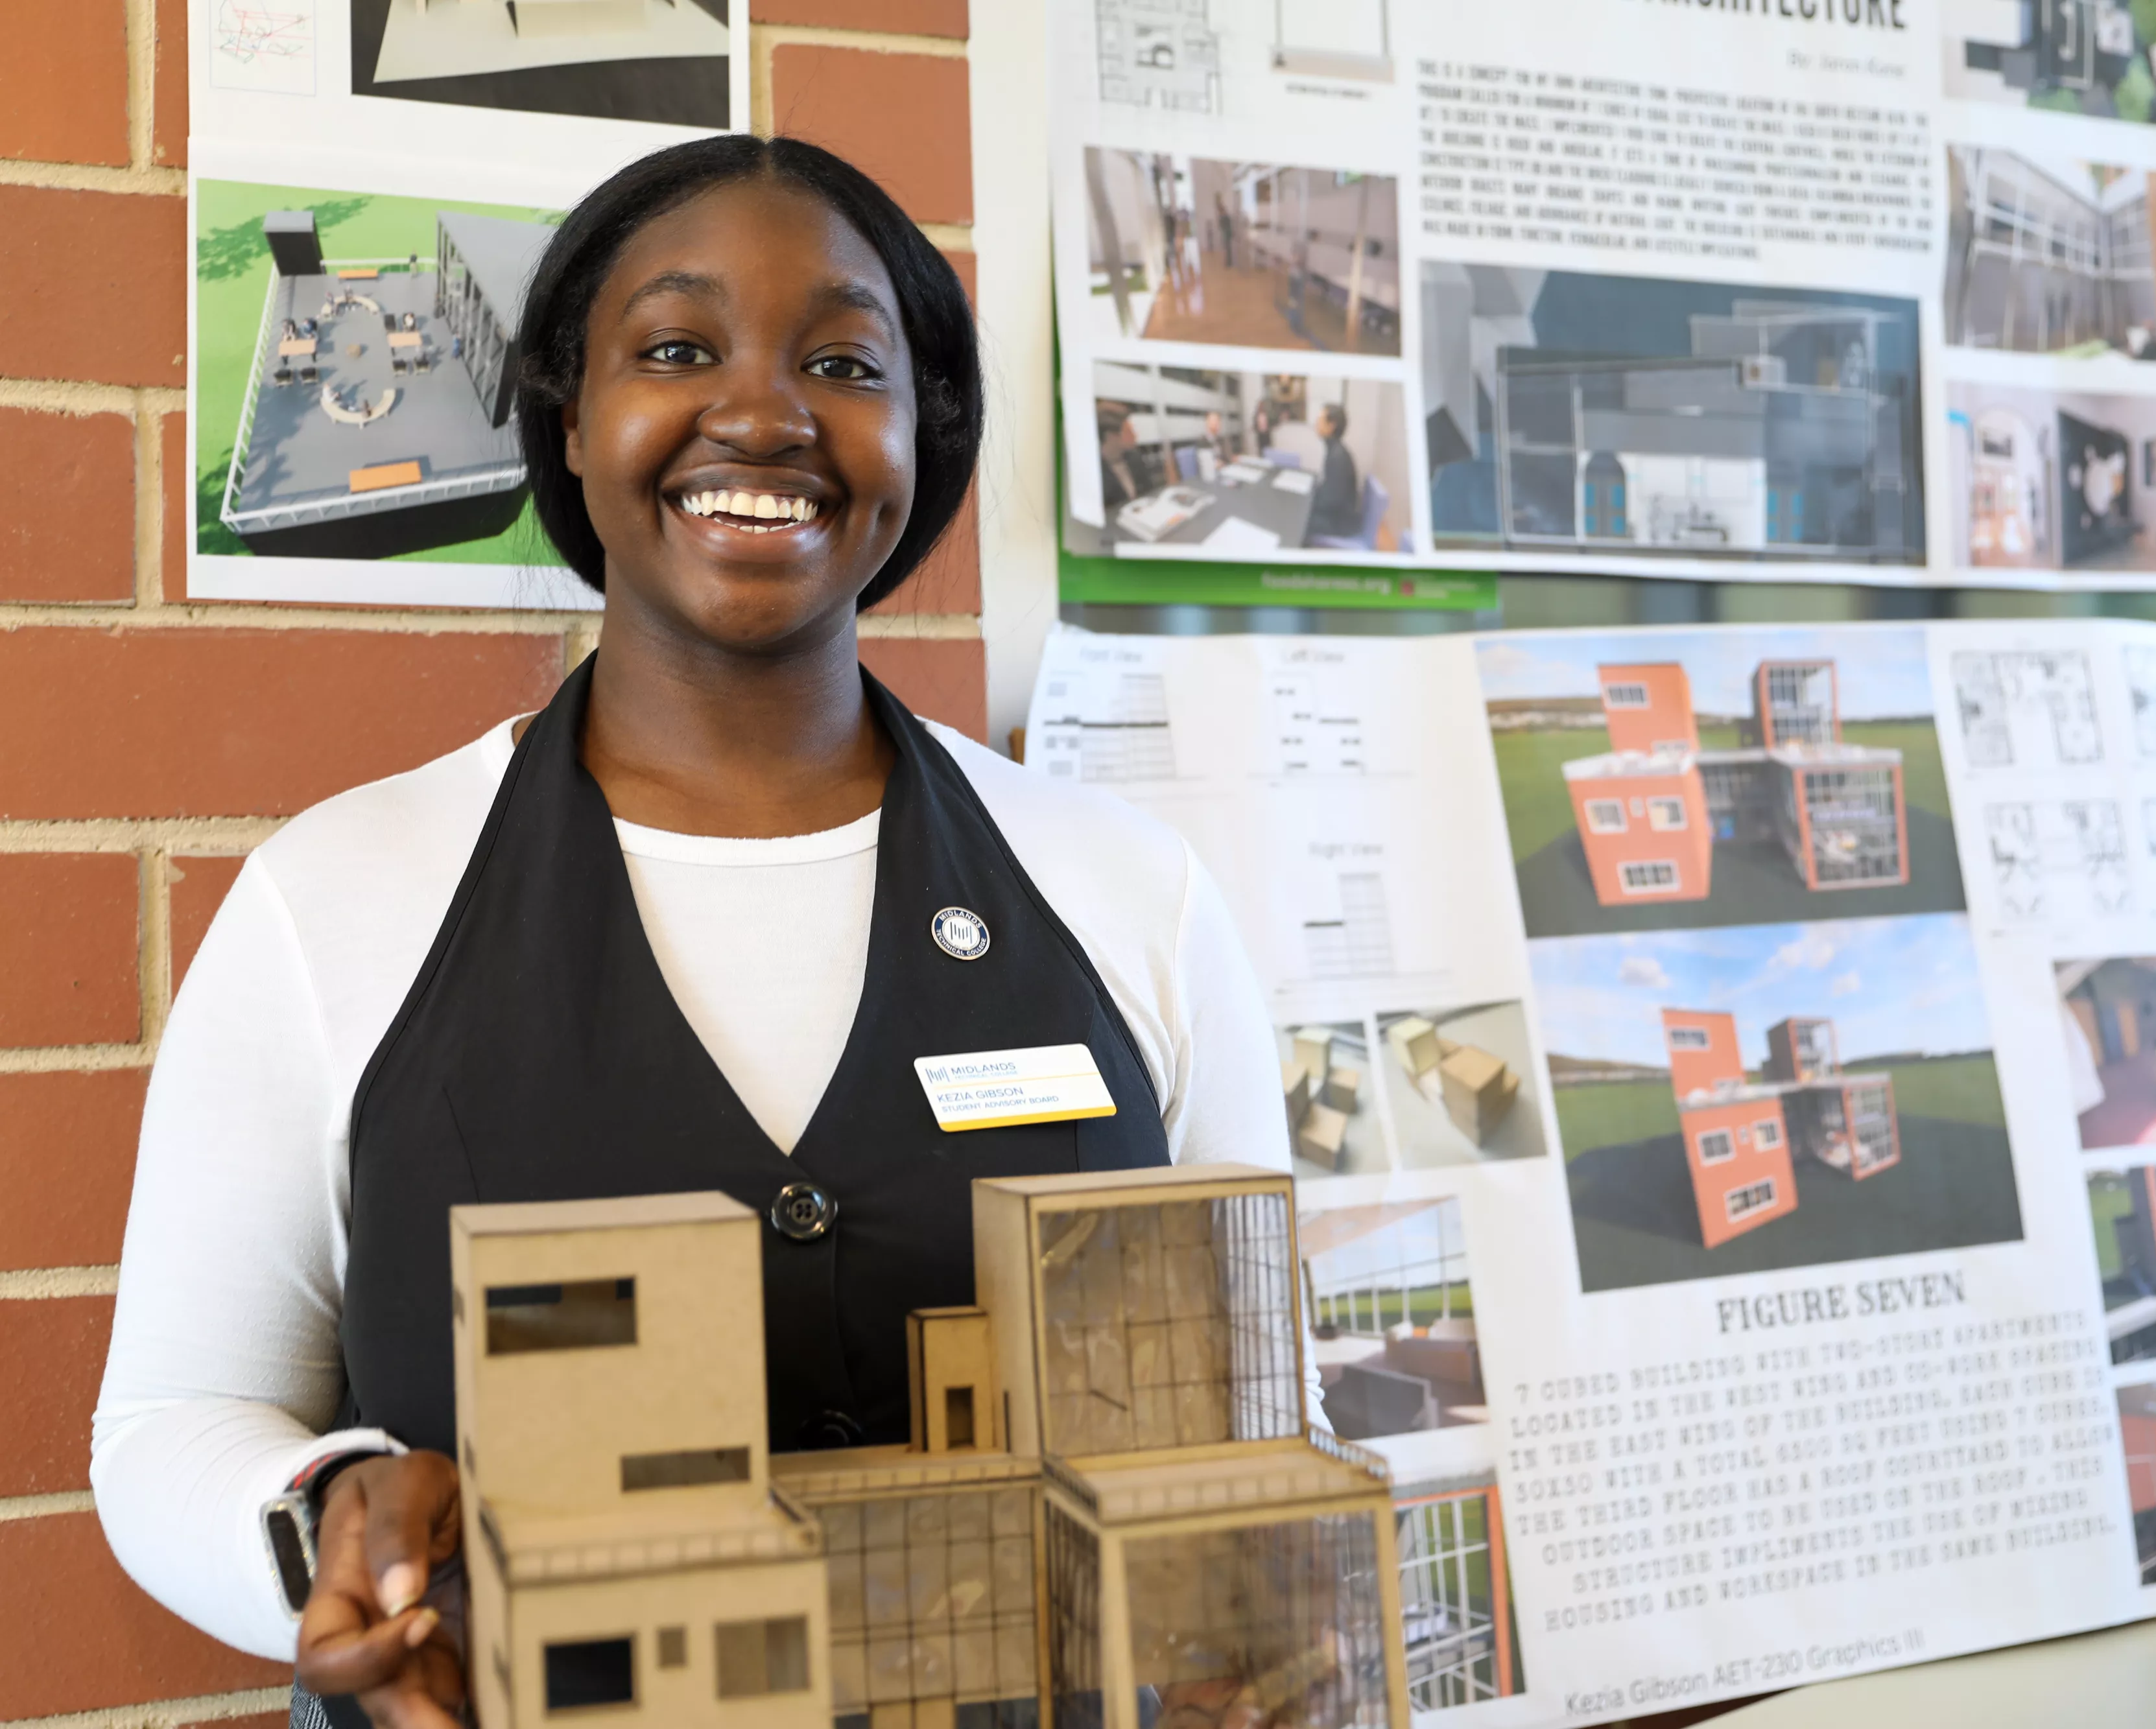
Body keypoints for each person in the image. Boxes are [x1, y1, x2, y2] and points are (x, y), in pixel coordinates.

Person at [91, 134, 1286, 1729]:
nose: (764, 412)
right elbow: (174, 1421)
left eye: (844, 363)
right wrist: (332, 1527)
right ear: (571, 423)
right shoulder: (339, 896)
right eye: (674, 349)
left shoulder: (1133, 887)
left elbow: (1267, 1401)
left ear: (917, 439)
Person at [1305, 401, 1362, 541]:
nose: (1316, 423)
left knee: (1300, 519)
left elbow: (1331, 502)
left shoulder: (1338, 458)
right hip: (1337, 514)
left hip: (1340, 523)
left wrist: (1307, 501)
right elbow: (1328, 489)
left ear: (1331, 426)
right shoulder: (1335, 450)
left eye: (1320, 420)